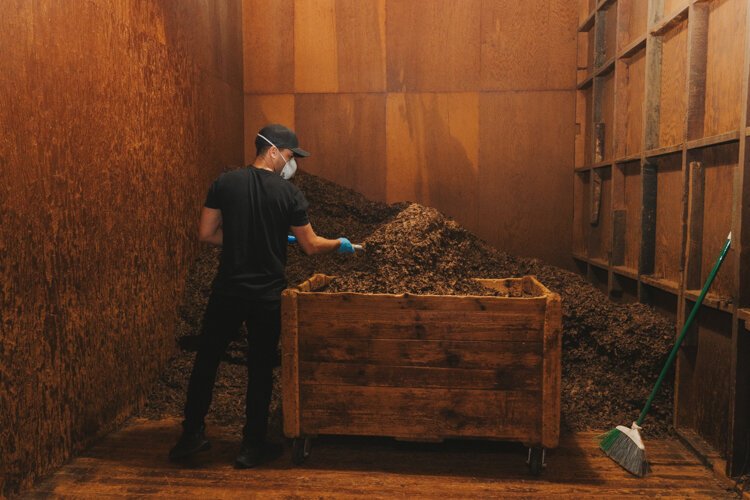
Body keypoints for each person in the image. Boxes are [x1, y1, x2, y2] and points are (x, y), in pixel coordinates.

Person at [169, 124, 356, 468]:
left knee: (207, 360)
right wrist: (340, 244)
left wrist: (244, 237)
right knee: (260, 368)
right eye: (289, 156)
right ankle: (251, 446)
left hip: (227, 290)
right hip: (267, 296)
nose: (291, 163)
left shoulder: (224, 183)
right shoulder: (290, 195)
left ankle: (190, 435)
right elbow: (311, 246)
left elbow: (206, 234)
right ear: (272, 151)